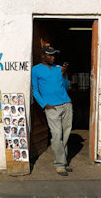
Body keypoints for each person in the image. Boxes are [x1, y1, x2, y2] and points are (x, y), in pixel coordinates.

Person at [32, 46, 72, 176]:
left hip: (66, 104)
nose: (52, 57)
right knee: (56, 134)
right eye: (50, 55)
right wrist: (45, 105)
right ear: (43, 55)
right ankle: (60, 164)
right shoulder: (36, 70)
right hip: (52, 108)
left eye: (54, 55)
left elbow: (67, 87)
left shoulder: (58, 68)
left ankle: (63, 161)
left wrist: (64, 74)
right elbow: (35, 90)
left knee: (66, 134)